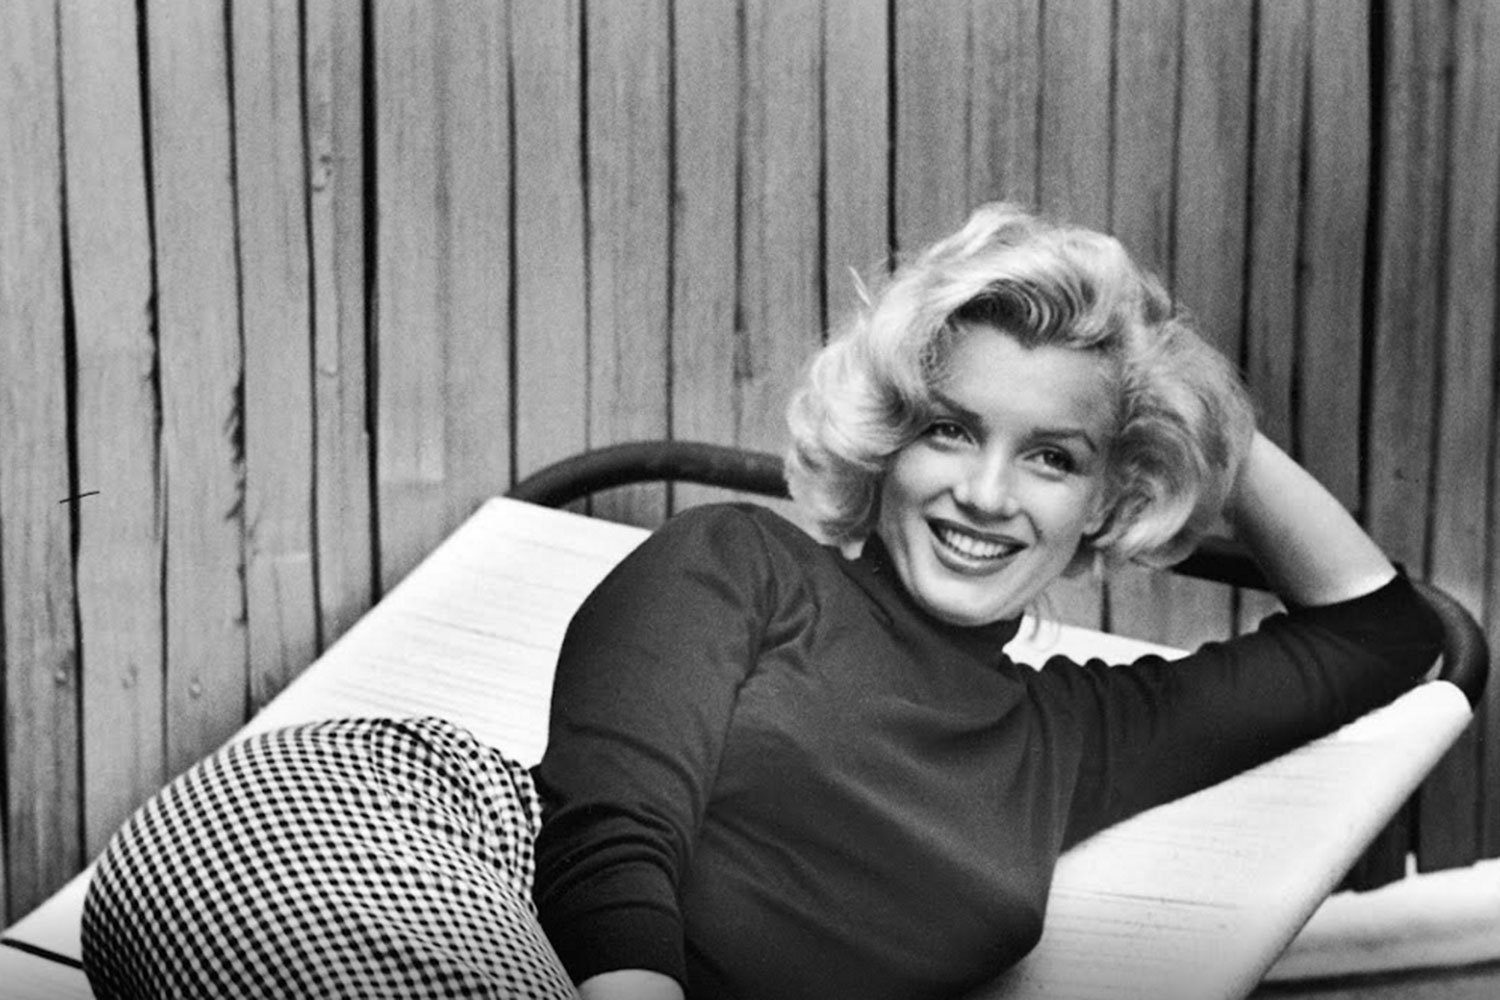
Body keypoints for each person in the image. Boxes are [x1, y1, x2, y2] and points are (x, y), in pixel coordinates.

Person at [81, 203, 1441, 1000]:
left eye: (1053, 458)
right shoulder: (741, 563)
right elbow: (615, 832)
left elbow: (1382, 630)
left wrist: (1167, 377)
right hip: (375, 835)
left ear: (1107, 496)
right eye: (951, 430)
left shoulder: (1079, 741)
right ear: (887, 440)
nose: (985, 493)